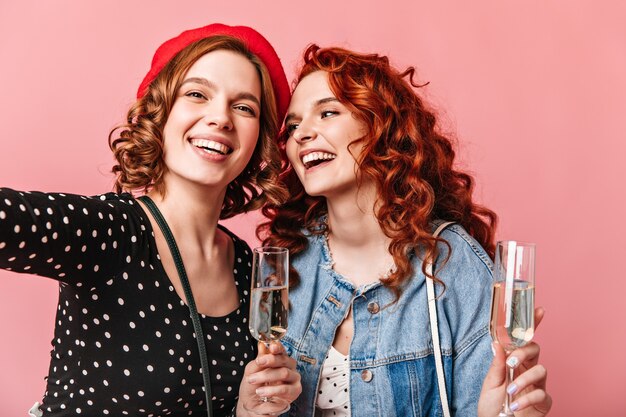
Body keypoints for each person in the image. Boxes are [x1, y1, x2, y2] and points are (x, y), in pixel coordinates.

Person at [0, 24, 301, 416]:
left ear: (257, 138)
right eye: (196, 94)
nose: (221, 118)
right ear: (159, 113)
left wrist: (249, 408)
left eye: (244, 107)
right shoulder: (110, 230)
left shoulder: (247, 265)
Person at [260, 45, 552, 416]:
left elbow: (494, 405)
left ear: (381, 128)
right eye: (294, 125)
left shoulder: (454, 264)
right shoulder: (286, 261)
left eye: (327, 113)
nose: (301, 134)